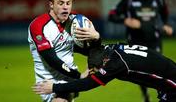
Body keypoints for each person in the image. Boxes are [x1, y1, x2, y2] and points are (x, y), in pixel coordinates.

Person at [28, 0, 100, 102]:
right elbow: (51, 59)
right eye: (61, 3)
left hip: (69, 77)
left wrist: (96, 38)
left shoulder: (76, 21)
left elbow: (89, 48)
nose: (65, 8)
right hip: (48, 79)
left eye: (68, 3)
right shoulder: (38, 26)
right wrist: (78, 75)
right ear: (51, 4)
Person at [33, 43, 176, 102]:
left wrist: (54, 87)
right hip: (167, 83)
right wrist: (68, 46)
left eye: (94, 71)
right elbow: (92, 49)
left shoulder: (115, 65)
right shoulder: (113, 49)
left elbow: (87, 84)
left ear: (103, 63)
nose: (93, 73)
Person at [108, 0, 173, 101]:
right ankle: (146, 95)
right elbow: (112, 15)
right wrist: (125, 20)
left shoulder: (158, 0)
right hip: (136, 42)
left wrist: (167, 25)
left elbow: (165, 14)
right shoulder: (128, 0)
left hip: (154, 40)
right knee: (140, 70)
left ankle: (164, 94)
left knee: (159, 69)